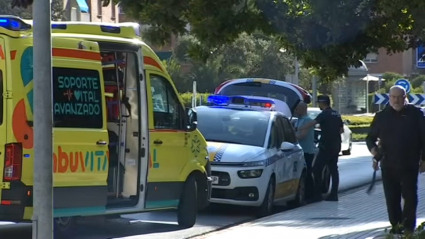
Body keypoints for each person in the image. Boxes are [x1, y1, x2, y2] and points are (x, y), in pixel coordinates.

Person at [366, 85, 425, 235]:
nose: (397, 100)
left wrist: (424, 159)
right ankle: (396, 225)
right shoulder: (382, 116)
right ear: (389, 98)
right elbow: (370, 138)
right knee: (392, 197)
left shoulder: (416, 114)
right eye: (394, 97)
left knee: (410, 196)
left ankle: (409, 226)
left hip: (410, 163)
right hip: (388, 163)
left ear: (405, 97)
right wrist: (374, 151)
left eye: (400, 97)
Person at [297, 95, 343, 201]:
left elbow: (312, 123)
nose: (318, 105)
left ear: (323, 103)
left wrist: (299, 128)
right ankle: (334, 194)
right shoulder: (336, 114)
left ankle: (317, 195)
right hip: (336, 145)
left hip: (326, 146)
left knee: (316, 169)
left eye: (319, 103)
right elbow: (341, 130)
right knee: (333, 170)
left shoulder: (324, 114)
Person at [293, 102, 316, 199]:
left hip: (307, 151)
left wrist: (291, 138)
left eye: (297, 109)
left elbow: (303, 135)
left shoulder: (307, 120)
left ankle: (311, 194)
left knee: (307, 173)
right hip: (301, 151)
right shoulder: (298, 120)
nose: (295, 111)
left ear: (302, 109)